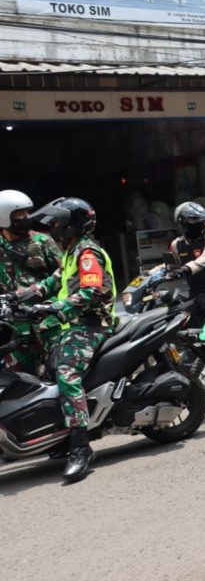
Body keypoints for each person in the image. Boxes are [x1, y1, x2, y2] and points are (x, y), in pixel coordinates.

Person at [19, 198, 116, 482]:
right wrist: (17, 297)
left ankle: (80, 444)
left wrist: (54, 308)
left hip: (92, 325)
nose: (54, 229)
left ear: (72, 225)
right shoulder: (72, 253)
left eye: (58, 224)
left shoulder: (87, 253)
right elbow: (51, 282)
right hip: (73, 324)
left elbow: (91, 293)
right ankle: (58, 433)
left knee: (66, 373)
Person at [0, 190, 62, 372]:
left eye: (27, 212)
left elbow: (64, 273)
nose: (26, 217)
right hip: (15, 329)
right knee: (17, 380)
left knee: (59, 371)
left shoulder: (42, 241)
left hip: (46, 321)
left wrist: (36, 291)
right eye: (20, 214)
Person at [166, 202, 205, 326]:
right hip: (195, 291)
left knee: (186, 314)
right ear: (182, 223)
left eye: (200, 221)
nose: (197, 225)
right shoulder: (177, 244)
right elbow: (172, 266)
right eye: (193, 222)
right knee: (170, 311)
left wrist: (186, 269)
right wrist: (151, 275)